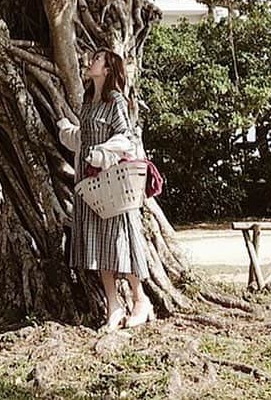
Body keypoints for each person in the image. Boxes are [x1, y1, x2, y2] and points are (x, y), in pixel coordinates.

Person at [57, 49, 152, 330]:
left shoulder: (115, 100)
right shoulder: (88, 100)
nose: (90, 62)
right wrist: (65, 129)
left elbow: (126, 137)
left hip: (112, 185)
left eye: (97, 59)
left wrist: (103, 154)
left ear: (108, 69)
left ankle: (139, 300)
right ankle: (113, 306)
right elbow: (82, 139)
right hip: (88, 185)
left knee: (120, 242)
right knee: (98, 245)